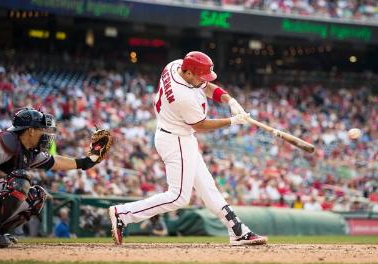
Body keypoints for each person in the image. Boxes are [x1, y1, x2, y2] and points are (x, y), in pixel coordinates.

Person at [109, 51, 267, 246]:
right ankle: (123, 214)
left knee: (208, 188)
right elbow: (200, 125)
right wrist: (232, 121)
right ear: (189, 73)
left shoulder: (177, 65)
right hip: (175, 139)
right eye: (200, 76)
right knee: (178, 197)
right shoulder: (182, 96)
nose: (203, 80)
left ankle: (238, 231)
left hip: (178, 135)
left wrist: (229, 100)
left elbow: (206, 86)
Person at [0, 108, 106, 247]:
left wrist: (86, 162)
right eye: (42, 129)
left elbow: (56, 161)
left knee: (36, 196)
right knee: (19, 181)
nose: (46, 134)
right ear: (30, 130)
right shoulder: (5, 141)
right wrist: (7, 178)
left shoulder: (27, 150)